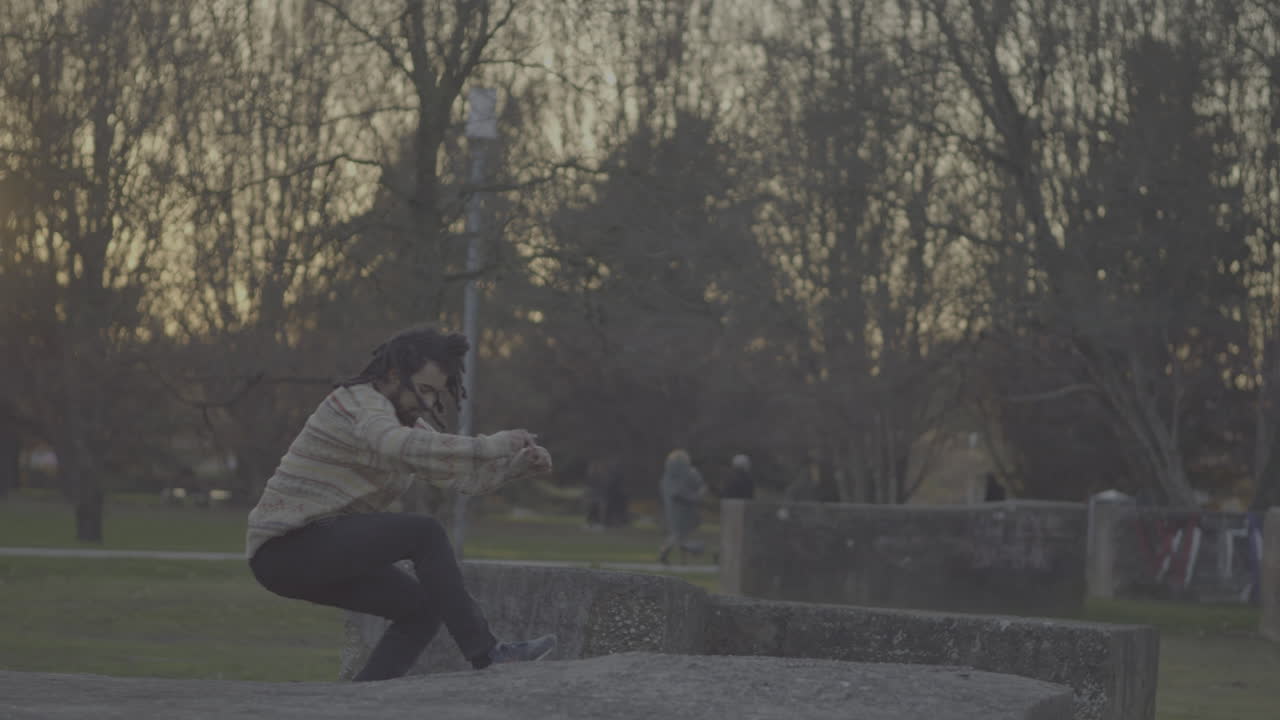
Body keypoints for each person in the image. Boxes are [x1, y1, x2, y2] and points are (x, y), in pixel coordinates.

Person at [245, 327, 557, 681]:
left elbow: (462, 477)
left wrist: (515, 467)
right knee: (423, 533)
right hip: (286, 548)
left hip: (319, 552)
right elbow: (395, 445)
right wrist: (493, 445)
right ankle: (489, 654)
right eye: (423, 390)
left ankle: (362, 702)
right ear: (393, 375)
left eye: (436, 394)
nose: (426, 402)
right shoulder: (358, 403)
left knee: (421, 610)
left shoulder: (402, 421)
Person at [657, 449, 706, 564]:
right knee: (679, 535)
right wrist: (695, 498)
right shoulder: (687, 473)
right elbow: (697, 489)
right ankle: (688, 553)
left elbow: (699, 487)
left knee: (678, 534)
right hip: (682, 509)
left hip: (678, 509)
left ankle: (674, 555)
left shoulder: (670, 476)